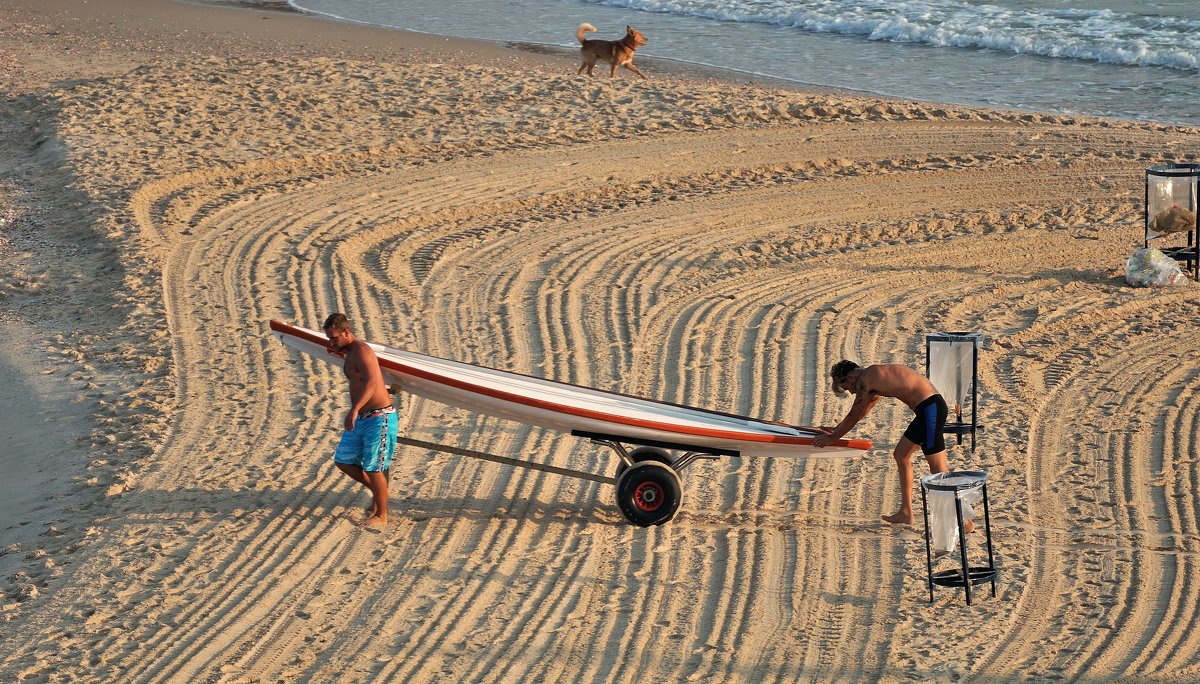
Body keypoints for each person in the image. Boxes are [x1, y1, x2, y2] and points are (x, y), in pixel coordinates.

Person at [812, 359, 951, 525]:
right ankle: (906, 513)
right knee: (901, 455)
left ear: (850, 378)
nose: (850, 393)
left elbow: (854, 414)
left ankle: (964, 520)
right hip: (928, 409)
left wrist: (832, 439)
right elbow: (863, 410)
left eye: (846, 389)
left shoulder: (866, 379)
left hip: (930, 409)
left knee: (939, 470)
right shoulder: (872, 378)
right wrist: (835, 429)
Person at [323, 313, 397, 528]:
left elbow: (374, 382)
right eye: (329, 339)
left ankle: (381, 514)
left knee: (374, 467)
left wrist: (353, 409)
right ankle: (380, 491)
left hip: (379, 416)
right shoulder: (348, 352)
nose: (331, 343)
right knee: (344, 460)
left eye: (334, 338)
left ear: (347, 332)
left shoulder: (362, 351)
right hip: (364, 417)